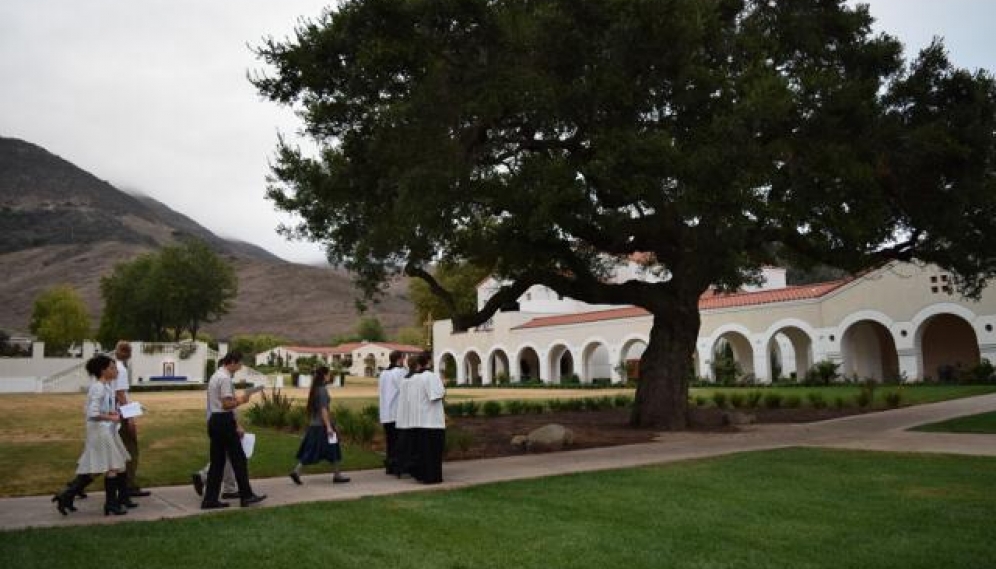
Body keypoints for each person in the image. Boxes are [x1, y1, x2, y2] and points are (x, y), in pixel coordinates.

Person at [53, 354, 133, 516]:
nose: (115, 370)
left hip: (106, 429)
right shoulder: (98, 387)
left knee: (102, 466)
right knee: (112, 466)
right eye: (112, 368)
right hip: (100, 431)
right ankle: (111, 504)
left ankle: (67, 496)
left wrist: (113, 413)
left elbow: (101, 409)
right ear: (103, 370)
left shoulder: (106, 387)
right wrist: (112, 416)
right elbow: (92, 412)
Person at [201, 351, 266, 509]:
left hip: (215, 421)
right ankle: (246, 495)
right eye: (239, 363)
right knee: (239, 459)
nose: (240, 366)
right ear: (232, 362)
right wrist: (242, 400)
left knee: (217, 462)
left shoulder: (216, 375)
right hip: (223, 421)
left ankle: (210, 499)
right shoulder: (224, 378)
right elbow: (226, 404)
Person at [288, 366, 350, 485]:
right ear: (325, 375)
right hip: (322, 426)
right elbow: (323, 410)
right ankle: (297, 471)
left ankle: (336, 474)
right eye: (329, 374)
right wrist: (329, 427)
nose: (330, 376)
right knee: (323, 449)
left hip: (315, 425)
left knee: (328, 448)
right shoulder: (322, 390)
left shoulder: (316, 389)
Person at [114, 341, 149, 498]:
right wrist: (129, 417)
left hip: (116, 412)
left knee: (115, 451)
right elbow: (120, 394)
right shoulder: (120, 369)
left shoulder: (112, 366)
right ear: (127, 353)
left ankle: (76, 486)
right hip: (122, 413)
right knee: (131, 449)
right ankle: (129, 485)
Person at [413, 352, 446, 484]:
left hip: (419, 419)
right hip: (432, 420)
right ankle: (432, 477)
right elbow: (436, 395)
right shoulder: (431, 376)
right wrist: (443, 387)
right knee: (434, 451)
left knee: (422, 451)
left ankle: (422, 475)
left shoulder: (414, 378)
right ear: (428, 361)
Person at [378, 351, 407, 475]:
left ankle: (389, 465)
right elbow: (405, 388)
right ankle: (397, 466)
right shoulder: (400, 372)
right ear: (399, 359)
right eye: (403, 358)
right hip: (396, 412)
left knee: (390, 442)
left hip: (386, 413)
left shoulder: (383, 374)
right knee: (399, 442)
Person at [394, 358, 423, 479]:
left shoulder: (404, 379)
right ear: (417, 366)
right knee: (412, 445)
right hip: (412, 416)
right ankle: (411, 467)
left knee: (402, 443)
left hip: (402, 415)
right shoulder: (415, 380)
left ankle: (400, 466)